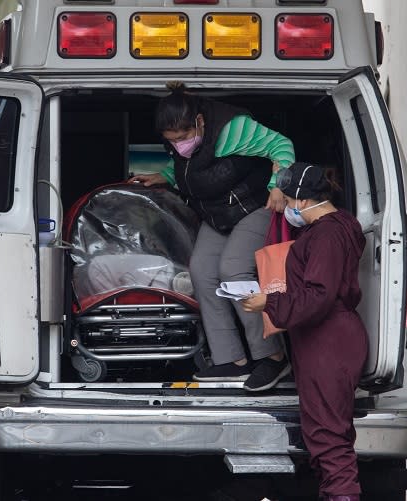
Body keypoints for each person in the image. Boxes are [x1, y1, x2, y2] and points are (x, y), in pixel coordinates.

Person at [129, 81, 295, 391]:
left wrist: (278, 185)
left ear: (200, 122)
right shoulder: (184, 141)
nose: (180, 144)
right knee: (202, 271)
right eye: (172, 141)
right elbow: (190, 168)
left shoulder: (233, 129)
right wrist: (163, 176)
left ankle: (272, 356)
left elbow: (281, 145)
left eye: (183, 138)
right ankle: (231, 360)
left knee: (232, 270)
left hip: (256, 206)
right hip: (220, 215)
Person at [241, 162, 368, 501]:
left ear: (300, 200)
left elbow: (318, 295)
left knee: (329, 439)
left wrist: (269, 302)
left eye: (285, 201)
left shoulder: (326, 235)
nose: (284, 209)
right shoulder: (342, 224)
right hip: (332, 339)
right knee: (328, 434)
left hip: (327, 341)